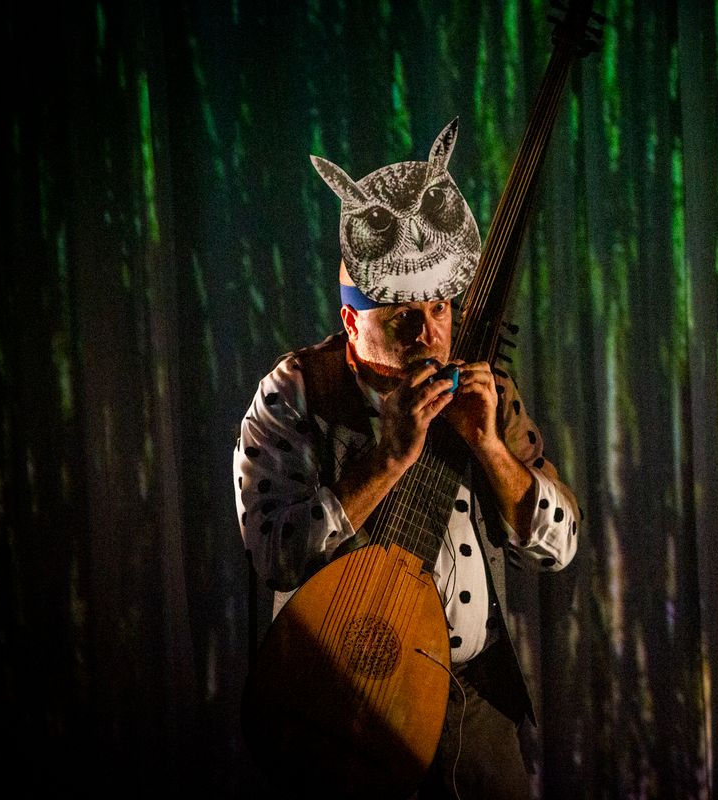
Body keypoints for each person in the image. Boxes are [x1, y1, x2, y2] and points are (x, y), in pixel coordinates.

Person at [233, 118, 579, 799]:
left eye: (441, 309)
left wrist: (488, 446)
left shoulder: (486, 391)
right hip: (340, 706)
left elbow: (559, 548)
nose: (429, 333)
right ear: (351, 321)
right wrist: (387, 459)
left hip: (474, 703)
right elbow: (274, 553)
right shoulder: (296, 391)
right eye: (402, 317)